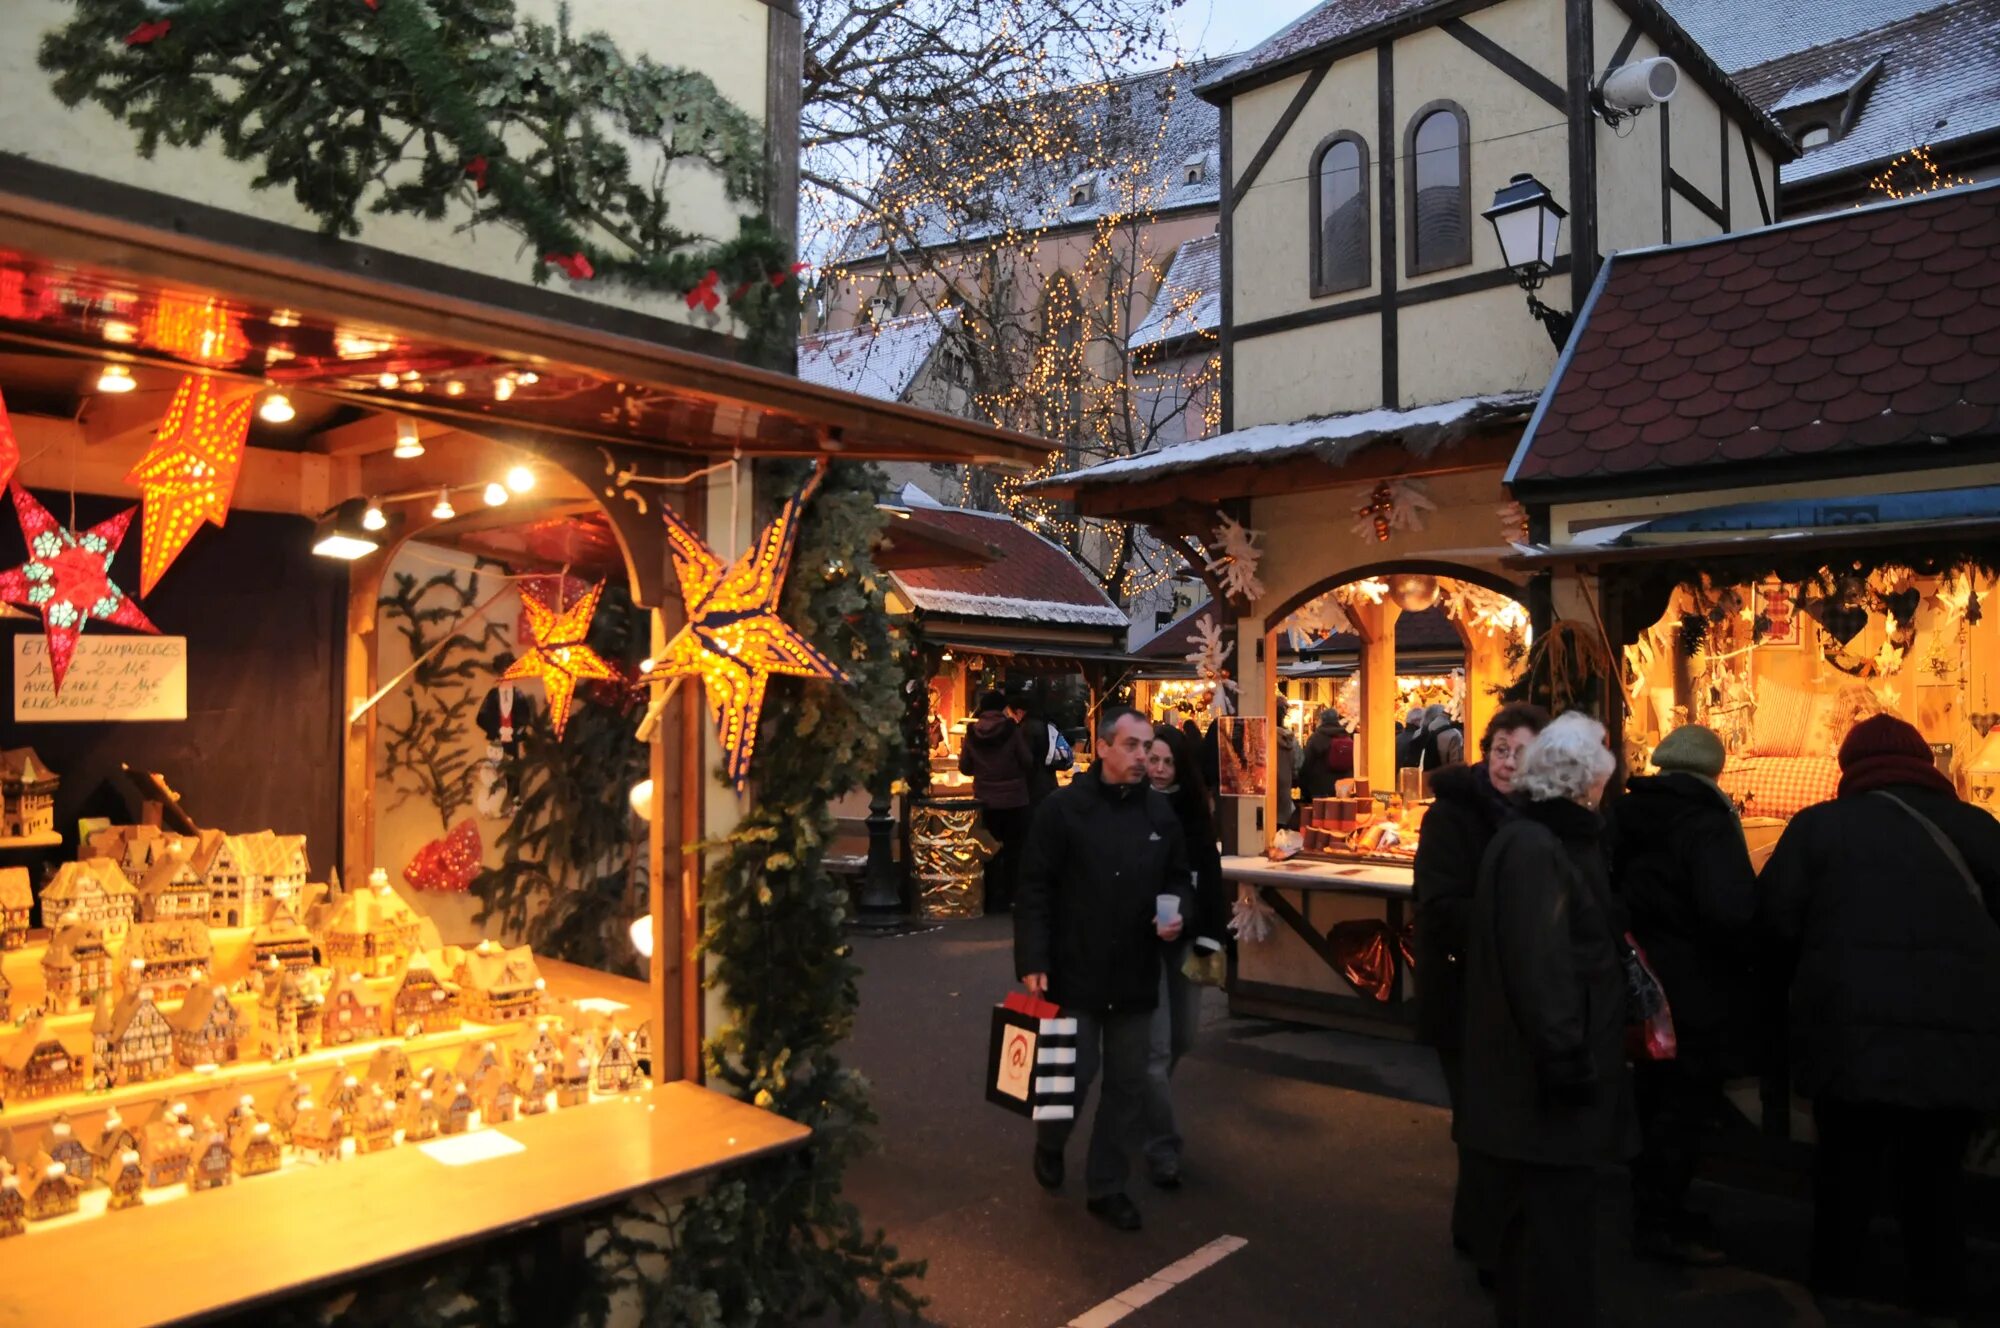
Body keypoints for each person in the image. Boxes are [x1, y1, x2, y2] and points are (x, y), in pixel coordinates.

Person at [1761, 714, 2000, 1317]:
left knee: (1845, 1179)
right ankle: (1939, 1299)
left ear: (1849, 768)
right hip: (1955, 1042)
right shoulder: (1977, 829)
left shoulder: (1818, 830)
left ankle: (1835, 1295)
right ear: (1927, 763)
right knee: (1936, 1189)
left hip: (1847, 1039)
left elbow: (1772, 929)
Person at [1457, 712, 1632, 1327]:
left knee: (1548, 1238)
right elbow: (1543, 968)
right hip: (1542, 1091)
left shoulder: (1546, 842)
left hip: (1544, 1087)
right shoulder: (1538, 848)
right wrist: (1567, 1063)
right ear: (1583, 782)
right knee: (1544, 1247)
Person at [1016, 708, 1192, 1232]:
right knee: (1069, 1077)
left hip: (1136, 971)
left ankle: (1107, 1185)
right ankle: (1050, 1140)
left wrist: (1178, 910)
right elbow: (1034, 891)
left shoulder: (1160, 817)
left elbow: (1181, 878)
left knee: (1128, 1084)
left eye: (1148, 747)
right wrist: (1033, 961)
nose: (1145, 759)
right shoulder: (1063, 810)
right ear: (1104, 747)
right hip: (1075, 969)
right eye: (1134, 746)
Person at [1610, 724, 1757, 1265]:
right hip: (1694, 983)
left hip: (1640, 977)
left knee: (1653, 1096)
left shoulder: (1627, 810)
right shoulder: (1708, 821)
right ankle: (1661, 1219)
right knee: (1685, 1104)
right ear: (1714, 770)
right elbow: (1730, 909)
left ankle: (1650, 1204)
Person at [1413, 702, 1550, 1278]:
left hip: (1515, 997)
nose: (1507, 762)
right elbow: (1439, 906)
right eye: (1499, 749)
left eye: (1521, 752)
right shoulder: (1451, 816)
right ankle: (1489, 1245)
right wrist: (1518, 919)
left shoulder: (1544, 818)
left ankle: (1479, 1231)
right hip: (1462, 990)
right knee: (1479, 1120)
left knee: (1501, 1122)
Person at [1141, 724, 1227, 1188]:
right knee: (1154, 1054)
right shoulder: (1132, 807)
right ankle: (1162, 1147)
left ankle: (1141, 1103)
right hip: (1144, 944)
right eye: (1152, 759)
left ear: (1180, 766)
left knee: (1183, 1040)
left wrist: (1212, 934)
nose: (1157, 769)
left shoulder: (1194, 813)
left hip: (1188, 938)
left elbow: (1210, 878)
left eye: (1166, 761)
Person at [959, 690, 1036, 914]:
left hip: (985, 800)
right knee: (1014, 851)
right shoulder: (1012, 730)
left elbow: (965, 767)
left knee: (987, 850)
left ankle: (990, 898)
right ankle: (1011, 897)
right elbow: (1026, 760)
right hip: (1014, 800)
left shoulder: (972, 732)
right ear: (1003, 707)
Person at [1006, 688, 1073, 810]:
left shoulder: (1026, 729)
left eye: (1011, 715)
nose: (1012, 719)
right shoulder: (1044, 723)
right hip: (1049, 781)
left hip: (1034, 786)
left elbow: (1026, 759)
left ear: (1019, 712)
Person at [1298, 707, 1353, 805]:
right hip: (1342, 790)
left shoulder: (1316, 738)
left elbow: (1305, 765)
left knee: (1322, 818)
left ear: (1322, 720)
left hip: (1320, 791)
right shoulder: (1346, 736)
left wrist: (1304, 789)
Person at [1274, 699, 1302, 829]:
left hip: (1266, 793)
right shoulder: (1290, 740)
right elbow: (1298, 764)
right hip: (1284, 790)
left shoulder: (1262, 736)